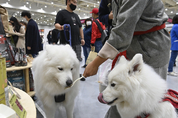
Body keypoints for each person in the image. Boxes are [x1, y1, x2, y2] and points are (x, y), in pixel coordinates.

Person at [83, 0, 171, 118]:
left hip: (151, 47)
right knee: (120, 98)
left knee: (149, 105)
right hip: (129, 46)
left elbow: (122, 33)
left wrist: (95, 63)